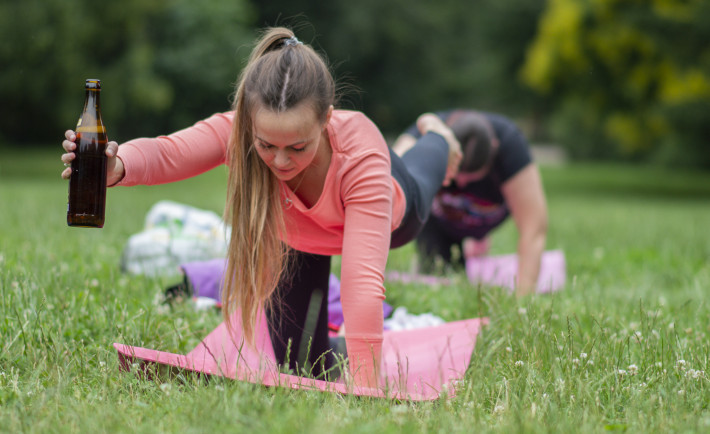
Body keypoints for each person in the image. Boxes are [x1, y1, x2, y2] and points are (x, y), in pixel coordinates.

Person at [60, 27, 461, 389]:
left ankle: (437, 137)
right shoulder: (237, 130)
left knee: (424, 172)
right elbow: (170, 152)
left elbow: (362, 283)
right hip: (300, 239)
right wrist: (115, 167)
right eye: (267, 145)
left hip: (394, 213)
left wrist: (368, 389)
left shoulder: (359, 154)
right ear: (250, 122)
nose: (281, 162)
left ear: (326, 119)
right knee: (302, 365)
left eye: (297, 147)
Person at [392, 109, 548, 296]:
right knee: (441, 285)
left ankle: (476, 236)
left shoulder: (510, 145)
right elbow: (391, 183)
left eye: (471, 178)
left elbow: (534, 230)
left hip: (486, 211)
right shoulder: (424, 137)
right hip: (437, 221)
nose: (462, 183)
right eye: (455, 176)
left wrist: (524, 298)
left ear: (495, 149)